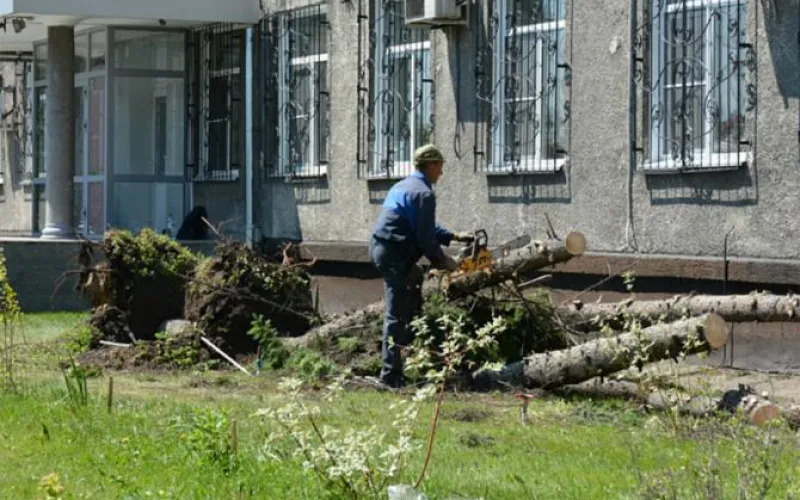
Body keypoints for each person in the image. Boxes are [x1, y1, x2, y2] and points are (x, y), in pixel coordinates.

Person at [369, 144, 474, 389]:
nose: (442, 172)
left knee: (414, 293)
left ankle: (416, 354)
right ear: (431, 165)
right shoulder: (424, 193)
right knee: (396, 314)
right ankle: (390, 376)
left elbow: (423, 227)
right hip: (394, 254)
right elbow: (425, 238)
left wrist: (453, 236)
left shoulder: (404, 186)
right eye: (440, 166)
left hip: (383, 248)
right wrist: (446, 262)